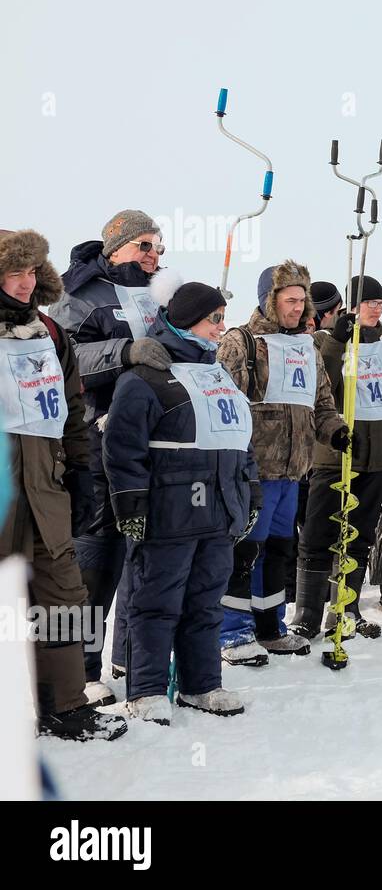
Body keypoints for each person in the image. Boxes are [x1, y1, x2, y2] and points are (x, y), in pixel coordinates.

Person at [104, 277, 259, 724]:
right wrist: (130, 504)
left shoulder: (219, 373)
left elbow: (242, 443)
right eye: (214, 319)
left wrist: (249, 495)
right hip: (168, 512)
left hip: (218, 511)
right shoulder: (145, 376)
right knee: (155, 602)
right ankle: (147, 689)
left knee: (205, 602)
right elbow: (122, 445)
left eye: (222, 319)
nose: (220, 327)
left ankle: (201, 685)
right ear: (189, 319)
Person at [0, 229, 126, 741]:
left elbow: (73, 410)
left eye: (33, 272)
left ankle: (65, 708)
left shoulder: (49, 332)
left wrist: (80, 471)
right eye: (16, 271)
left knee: (61, 599)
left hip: (46, 493)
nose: (27, 282)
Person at [48, 210, 167, 700]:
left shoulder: (163, 296)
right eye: (144, 245)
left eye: (159, 247)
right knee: (97, 560)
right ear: (115, 247)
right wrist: (126, 352)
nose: (154, 255)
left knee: (147, 557)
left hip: (154, 441)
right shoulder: (79, 294)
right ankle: (82, 667)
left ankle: (130, 661)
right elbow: (65, 359)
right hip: (98, 439)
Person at [215, 262, 348, 665]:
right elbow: (224, 399)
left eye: (301, 299)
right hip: (253, 468)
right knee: (244, 551)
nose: (297, 307)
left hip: (294, 469)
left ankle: (269, 626)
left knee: (277, 551)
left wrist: (337, 430)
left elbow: (321, 402)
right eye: (289, 300)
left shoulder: (306, 347)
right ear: (269, 301)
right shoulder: (243, 343)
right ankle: (231, 631)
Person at [293, 276, 382, 641]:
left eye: (381, 303)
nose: (376, 308)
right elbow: (321, 385)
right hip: (335, 452)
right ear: (352, 306)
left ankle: (346, 607)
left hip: (377, 454)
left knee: (359, 535)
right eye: (369, 302)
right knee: (319, 532)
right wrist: (336, 342)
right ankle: (307, 613)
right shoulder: (324, 339)